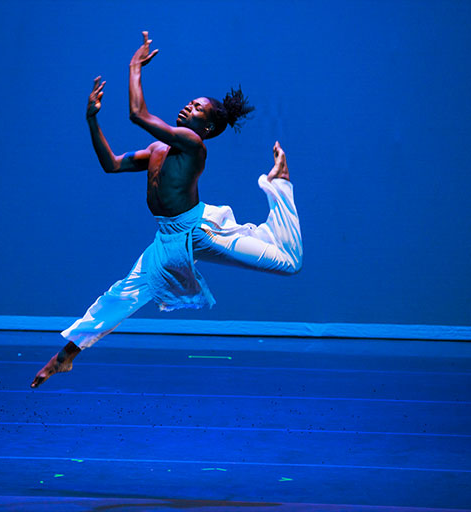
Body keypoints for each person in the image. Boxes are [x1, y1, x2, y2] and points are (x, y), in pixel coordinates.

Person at [31, 32, 302, 389]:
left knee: (289, 263)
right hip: (168, 238)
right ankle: (66, 356)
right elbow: (111, 165)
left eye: (197, 109)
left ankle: (279, 184)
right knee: (124, 293)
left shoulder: (193, 144)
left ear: (206, 127)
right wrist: (92, 121)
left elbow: (137, 113)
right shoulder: (158, 149)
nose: (189, 107)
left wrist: (134, 67)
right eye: (190, 102)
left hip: (199, 231)